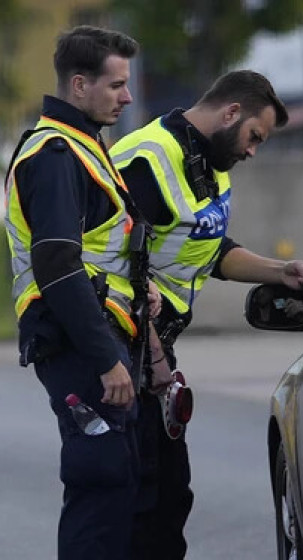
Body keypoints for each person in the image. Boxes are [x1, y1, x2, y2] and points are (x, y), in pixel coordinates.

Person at [109, 69, 303, 559]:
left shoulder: (211, 164)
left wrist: (279, 271)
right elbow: (113, 261)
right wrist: (158, 363)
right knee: (137, 501)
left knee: (169, 498)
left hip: (155, 348)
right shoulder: (149, 158)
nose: (253, 151)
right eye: (254, 137)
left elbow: (208, 247)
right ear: (230, 113)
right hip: (124, 344)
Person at [3, 25, 160, 559]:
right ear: (78, 85)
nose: (128, 96)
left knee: (116, 485)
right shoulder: (54, 155)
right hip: (78, 344)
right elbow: (58, 266)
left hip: (98, 336)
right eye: (116, 85)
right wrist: (104, 361)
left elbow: (97, 252)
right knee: (100, 484)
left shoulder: (82, 145)